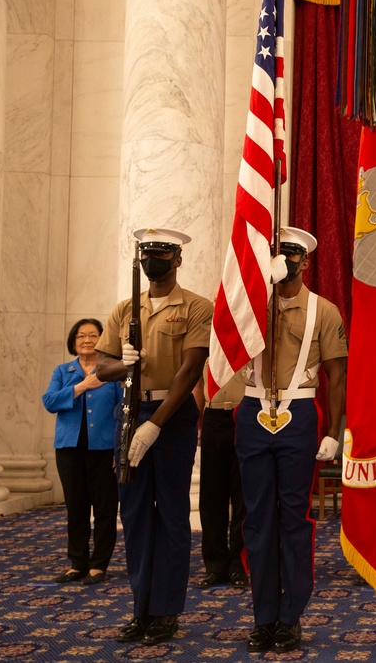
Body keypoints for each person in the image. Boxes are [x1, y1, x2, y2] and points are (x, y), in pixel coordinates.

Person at [96, 227, 213, 646]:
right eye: (148, 254)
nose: (154, 261)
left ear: (177, 259)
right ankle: (141, 608)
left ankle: (166, 611)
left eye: (162, 254)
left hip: (172, 415)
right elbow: (102, 368)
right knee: (135, 515)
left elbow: (190, 371)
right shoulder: (125, 308)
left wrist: (156, 424)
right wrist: (123, 362)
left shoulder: (198, 307)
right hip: (129, 411)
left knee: (172, 516)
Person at [236, 227, 347, 654]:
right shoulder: (248, 304)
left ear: (306, 262)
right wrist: (256, 288)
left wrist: (334, 432)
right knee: (258, 517)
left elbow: (337, 377)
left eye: (292, 256)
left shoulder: (325, 310)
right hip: (252, 410)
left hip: (299, 413)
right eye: (277, 255)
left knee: (293, 517)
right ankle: (263, 615)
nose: (285, 262)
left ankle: (290, 615)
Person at [42, 318, 123, 586]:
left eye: (93, 335)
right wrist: (81, 386)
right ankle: (77, 562)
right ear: (73, 342)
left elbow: (124, 412)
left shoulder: (112, 372)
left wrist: (119, 448)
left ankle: (99, 564)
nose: (87, 340)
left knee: (104, 508)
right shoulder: (63, 371)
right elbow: (49, 401)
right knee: (75, 507)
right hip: (69, 449)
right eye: (81, 336)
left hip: (104, 450)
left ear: (103, 339)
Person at [195, 363, 248, 590]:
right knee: (211, 498)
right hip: (213, 415)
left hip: (245, 414)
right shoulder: (206, 337)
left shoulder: (250, 335)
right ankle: (215, 565)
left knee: (242, 496)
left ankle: (239, 564)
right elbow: (198, 384)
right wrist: (196, 422)